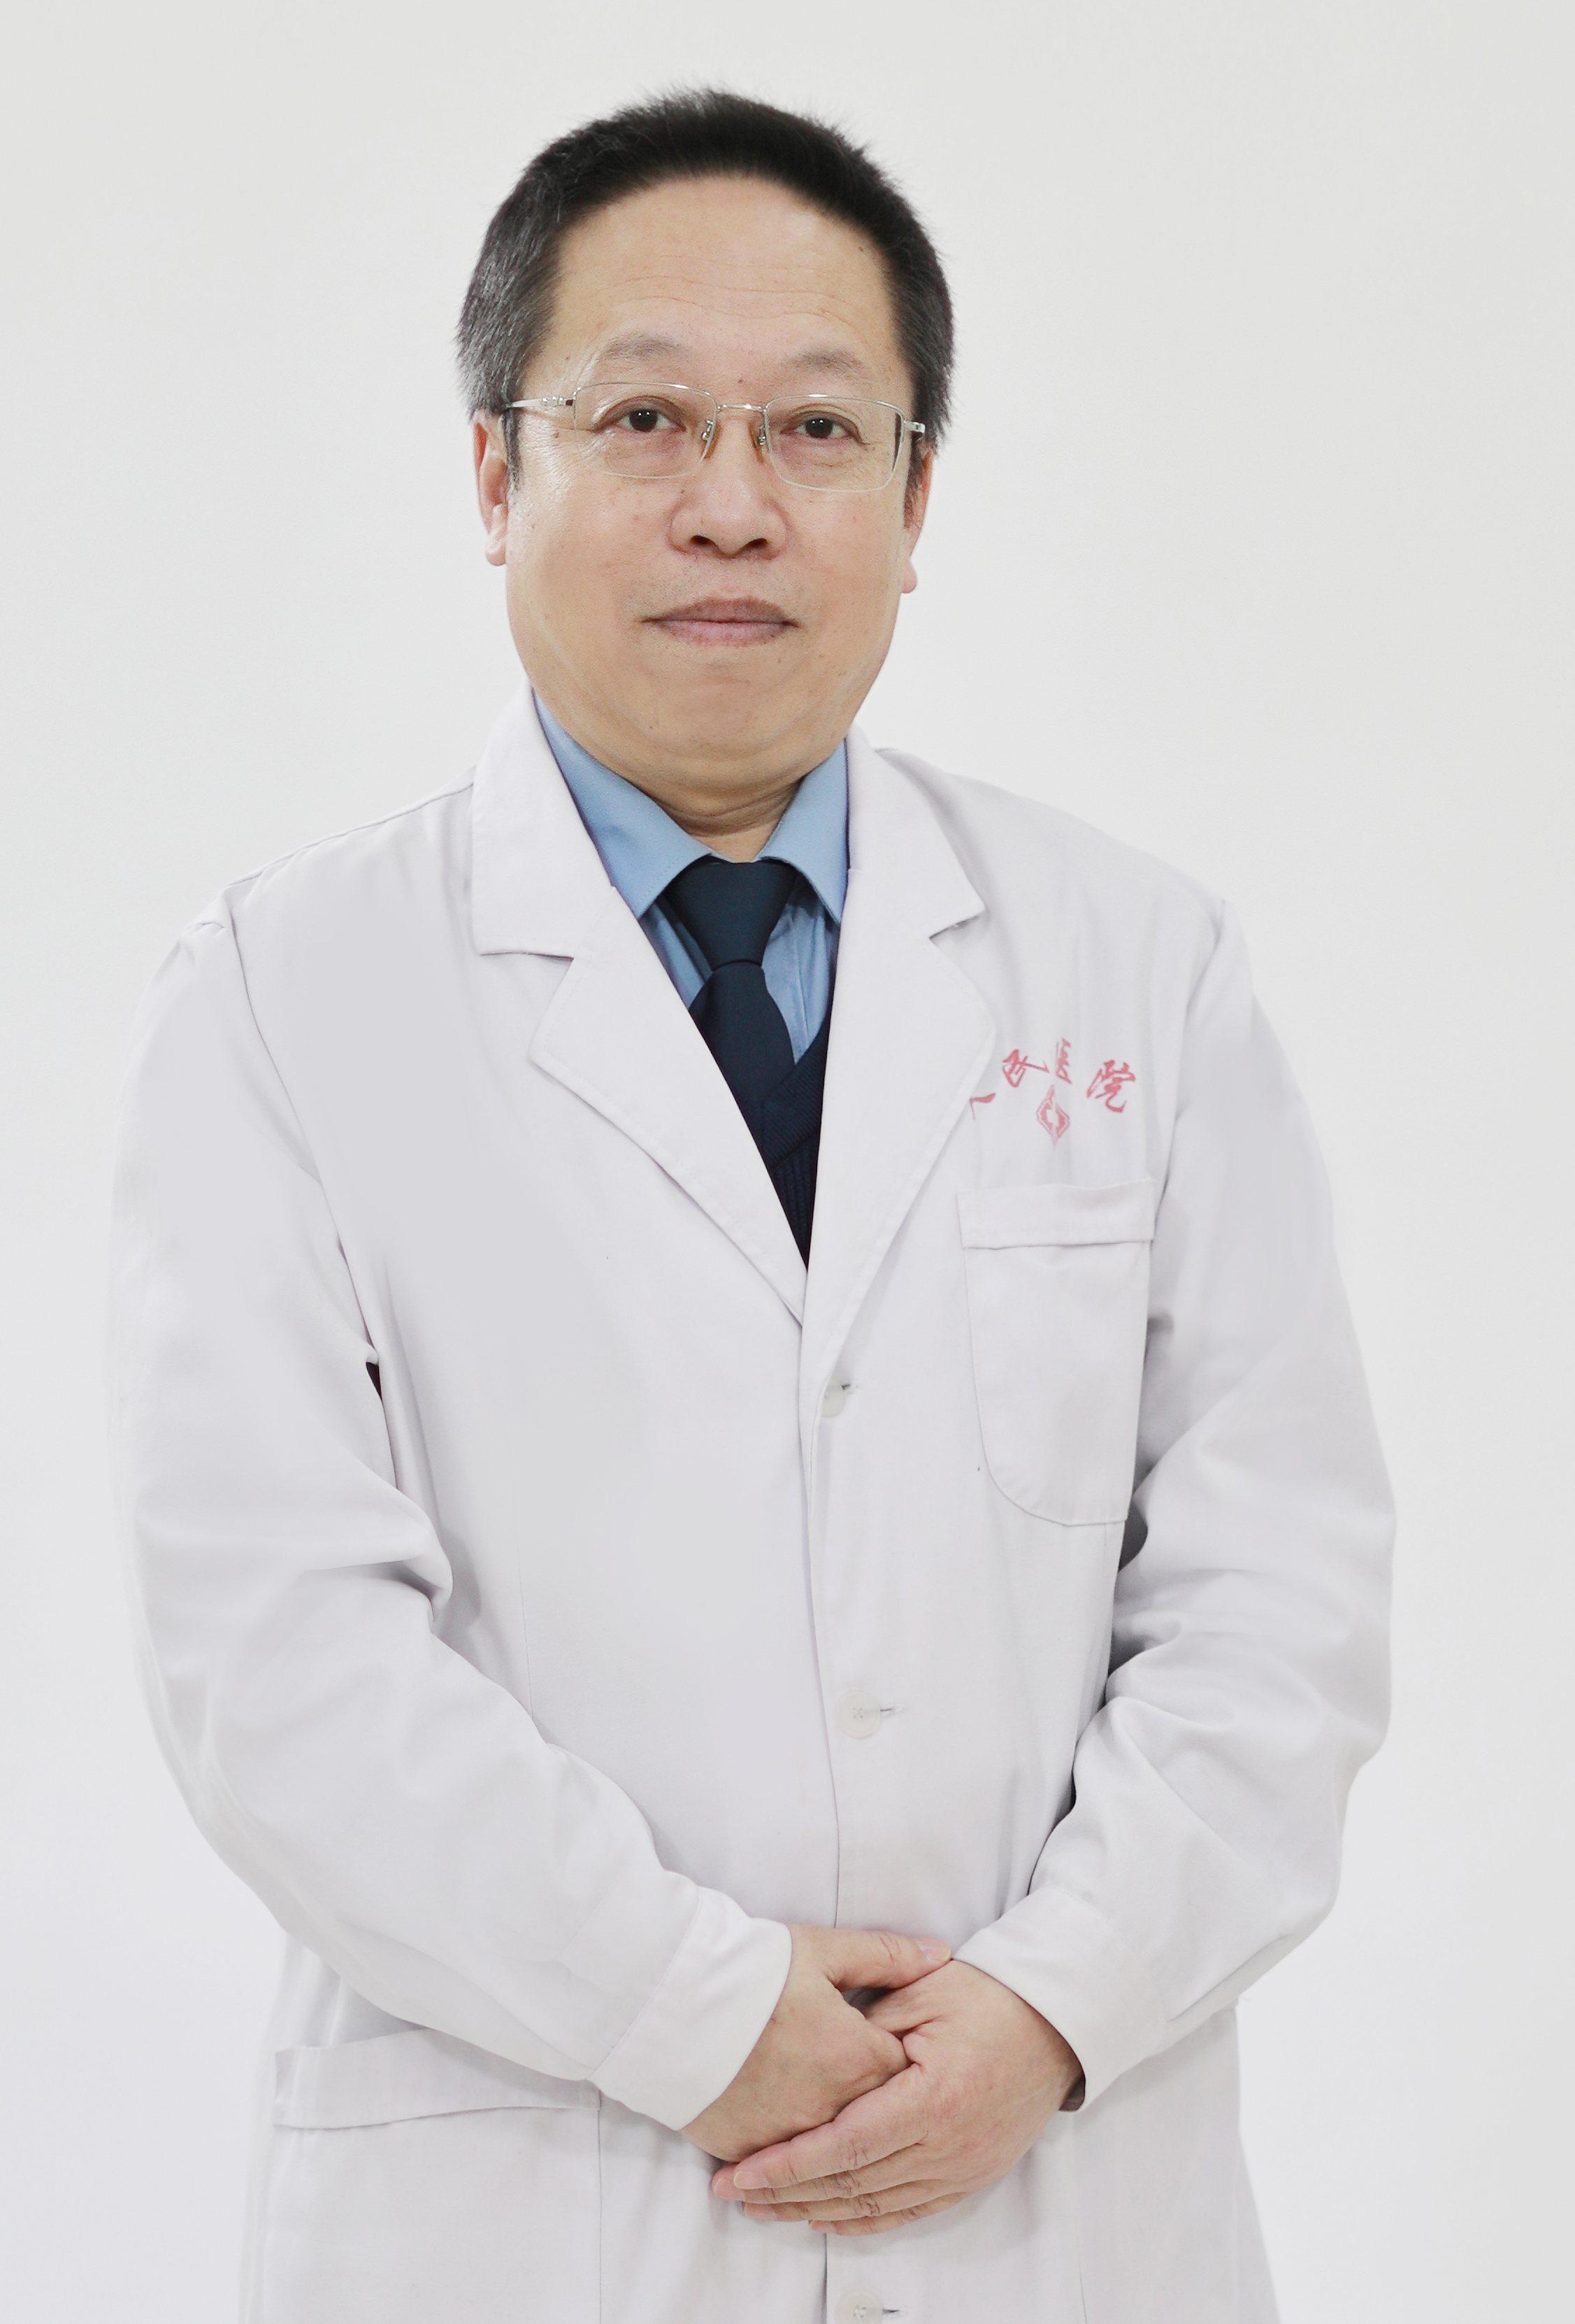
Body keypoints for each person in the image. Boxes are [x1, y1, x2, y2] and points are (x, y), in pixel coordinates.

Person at [105, 86, 1395, 2324]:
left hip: (1058, 2199)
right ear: (493, 474)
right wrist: (690, 2008)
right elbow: (276, 1659)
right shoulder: (283, 997)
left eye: (817, 429)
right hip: (524, 2204)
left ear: (917, 496)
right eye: (643, 419)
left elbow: (1281, 1592)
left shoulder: (1135, 964)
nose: (734, 503)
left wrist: (1054, 2003)